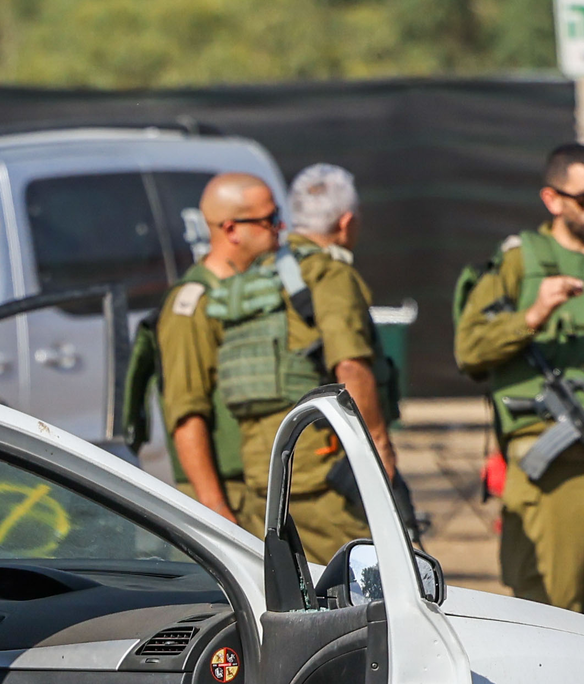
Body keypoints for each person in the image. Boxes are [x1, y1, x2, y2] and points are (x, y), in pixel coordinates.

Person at [453, 142, 584, 620]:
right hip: (546, 465)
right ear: (552, 199)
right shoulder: (520, 260)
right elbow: (469, 350)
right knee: (549, 616)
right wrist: (534, 314)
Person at [160, 171, 379, 560]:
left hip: (268, 485)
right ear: (231, 229)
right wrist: (215, 512)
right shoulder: (192, 304)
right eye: (268, 220)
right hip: (229, 493)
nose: (281, 228)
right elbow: (185, 415)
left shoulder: (260, 288)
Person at [281, 163, 404, 514]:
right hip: (320, 471)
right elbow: (349, 364)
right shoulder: (332, 274)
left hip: (267, 463)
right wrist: (379, 447)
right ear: (346, 222)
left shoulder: (261, 270)